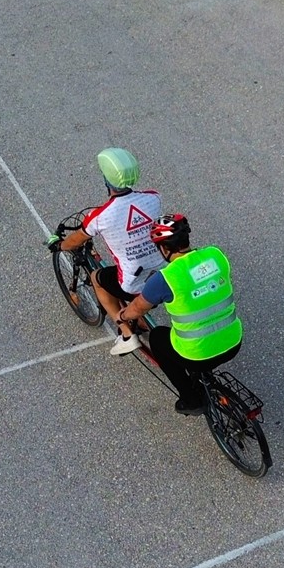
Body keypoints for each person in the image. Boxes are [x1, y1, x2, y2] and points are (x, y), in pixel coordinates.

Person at [115, 214, 243, 415]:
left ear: (164, 249)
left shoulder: (165, 278)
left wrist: (122, 317)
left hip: (197, 355)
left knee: (157, 337)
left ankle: (191, 400)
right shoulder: (216, 255)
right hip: (234, 341)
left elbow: (138, 308)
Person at [48, 148, 165, 355]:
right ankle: (140, 320)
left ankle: (127, 334)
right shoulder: (153, 198)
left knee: (97, 277)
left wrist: (59, 245)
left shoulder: (100, 217)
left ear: (106, 180)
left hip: (133, 283)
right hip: (163, 272)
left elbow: (75, 241)